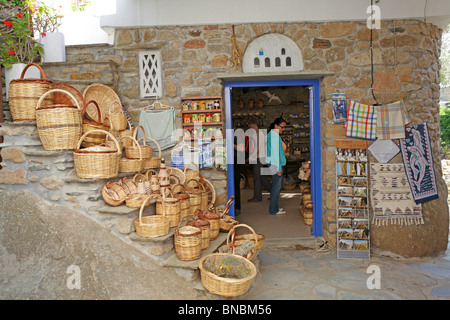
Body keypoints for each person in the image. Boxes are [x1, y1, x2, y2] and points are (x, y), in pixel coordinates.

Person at [266, 117, 287, 215]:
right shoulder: (274, 136)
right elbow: (275, 154)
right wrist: (278, 168)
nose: (283, 129)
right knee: (276, 187)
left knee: (277, 186)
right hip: (275, 164)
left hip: (272, 163)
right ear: (276, 126)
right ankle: (273, 210)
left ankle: (274, 207)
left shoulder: (272, 135)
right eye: (282, 127)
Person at [247, 118, 271, 202]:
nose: (249, 127)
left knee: (257, 178)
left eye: (249, 126)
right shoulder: (260, 133)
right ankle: (273, 192)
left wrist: (250, 158)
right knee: (262, 177)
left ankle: (257, 197)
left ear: (253, 125)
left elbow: (256, 148)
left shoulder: (258, 134)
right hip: (262, 157)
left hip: (258, 158)